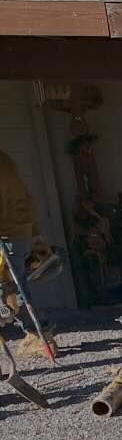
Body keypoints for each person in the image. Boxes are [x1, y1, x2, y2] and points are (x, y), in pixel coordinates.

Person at [0, 147, 62, 358]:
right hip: (18, 233)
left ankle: (40, 336)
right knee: (16, 288)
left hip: (5, 235)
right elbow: (27, 198)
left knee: (12, 292)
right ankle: (41, 337)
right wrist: (34, 233)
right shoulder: (5, 159)